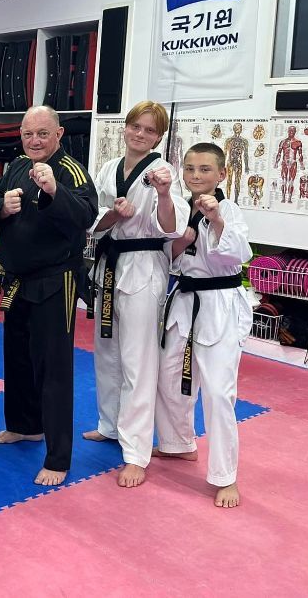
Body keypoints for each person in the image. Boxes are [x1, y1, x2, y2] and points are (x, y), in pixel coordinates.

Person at [0, 106, 98, 486]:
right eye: (27, 133)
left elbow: (86, 217)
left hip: (57, 281)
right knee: (17, 357)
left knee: (53, 368)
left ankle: (58, 457)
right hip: (18, 279)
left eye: (42, 133)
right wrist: (1, 209)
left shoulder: (71, 171)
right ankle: (24, 425)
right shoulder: (17, 165)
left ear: (58, 134)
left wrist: (53, 190)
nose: (34, 140)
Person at [85, 100, 187, 488]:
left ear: (159, 136)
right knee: (107, 352)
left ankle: (136, 453)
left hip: (144, 267)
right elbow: (95, 221)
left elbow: (171, 226)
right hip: (110, 265)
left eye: (149, 130)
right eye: (135, 126)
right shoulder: (109, 168)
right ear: (125, 128)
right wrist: (114, 215)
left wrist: (162, 194)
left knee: (138, 361)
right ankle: (109, 425)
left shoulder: (164, 172)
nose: (140, 134)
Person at [154, 143, 252, 508]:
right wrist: (180, 242)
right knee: (169, 379)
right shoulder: (180, 206)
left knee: (217, 392)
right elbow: (169, 257)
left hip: (220, 305)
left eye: (205, 169)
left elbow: (240, 254)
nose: (196, 176)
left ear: (222, 174)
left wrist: (217, 221)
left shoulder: (229, 209)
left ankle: (225, 477)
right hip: (184, 301)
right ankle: (179, 444)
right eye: (190, 169)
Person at [273, 125, 303, 204]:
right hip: (284, 162)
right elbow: (279, 153)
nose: (291, 132)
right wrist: (276, 162)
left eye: (293, 131)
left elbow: (300, 155)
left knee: (291, 182)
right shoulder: (283, 142)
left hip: (293, 163)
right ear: (288, 131)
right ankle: (283, 197)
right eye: (290, 131)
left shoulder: (298, 142)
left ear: (295, 132)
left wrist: (302, 164)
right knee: (284, 181)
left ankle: (289, 198)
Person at [222, 122, 249, 204]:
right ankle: (227, 199)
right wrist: (221, 166)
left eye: (239, 128)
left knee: (237, 181)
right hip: (230, 162)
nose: (237, 130)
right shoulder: (229, 140)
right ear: (234, 129)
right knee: (229, 181)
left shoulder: (244, 141)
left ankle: (236, 200)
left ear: (241, 129)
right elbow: (225, 153)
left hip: (239, 163)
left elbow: (246, 154)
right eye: (236, 128)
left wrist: (246, 166)